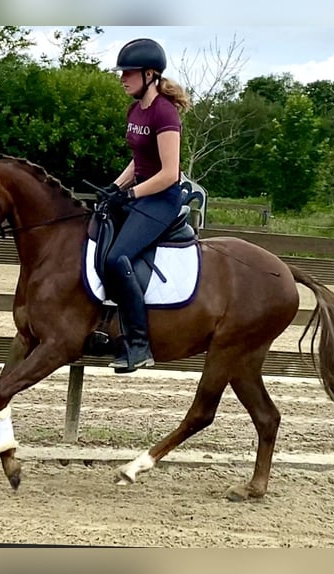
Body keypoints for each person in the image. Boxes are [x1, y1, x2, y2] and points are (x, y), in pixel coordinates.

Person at [101, 37, 192, 374]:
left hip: (162, 201)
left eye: (129, 72)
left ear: (150, 75)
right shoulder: (135, 109)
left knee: (116, 257)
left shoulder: (164, 113)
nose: (122, 77)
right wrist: (115, 187)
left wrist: (132, 195)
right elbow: (138, 160)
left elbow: (170, 173)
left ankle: (139, 344)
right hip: (140, 193)